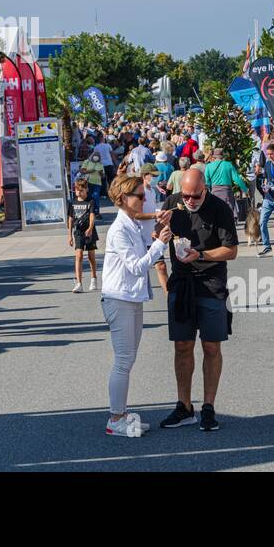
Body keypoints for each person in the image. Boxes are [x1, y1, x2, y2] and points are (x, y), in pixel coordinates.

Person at [156, 167, 238, 431]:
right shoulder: (172, 203)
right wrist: (160, 232)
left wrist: (201, 256)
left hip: (211, 284)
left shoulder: (219, 208)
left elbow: (231, 250)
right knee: (182, 345)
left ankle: (209, 407)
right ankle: (184, 406)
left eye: (195, 196)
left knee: (211, 346)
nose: (190, 201)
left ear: (205, 189)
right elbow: (155, 236)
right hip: (181, 283)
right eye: (186, 195)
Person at [101, 173, 170, 437]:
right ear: (123, 199)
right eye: (139, 196)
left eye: (144, 196)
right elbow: (137, 266)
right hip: (120, 298)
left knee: (127, 359)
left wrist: (157, 236)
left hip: (129, 296)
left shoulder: (129, 223)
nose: (144, 201)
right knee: (123, 360)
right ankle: (115, 418)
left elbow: (144, 251)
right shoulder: (119, 229)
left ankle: (121, 413)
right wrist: (160, 244)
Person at [67, 175, 101, 292]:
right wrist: (69, 235)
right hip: (78, 232)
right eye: (76, 190)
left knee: (91, 257)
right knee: (79, 255)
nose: (79, 192)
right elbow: (71, 218)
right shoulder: (72, 202)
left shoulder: (90, 201)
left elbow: (92, 216)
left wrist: (91, 228)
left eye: (81, 190)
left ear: (86, 189)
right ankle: (79, 283)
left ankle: (93, 279)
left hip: (89, 231)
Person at [203, 147, 249, 220]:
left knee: (216, 215)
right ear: (223, 156)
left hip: (214, 193)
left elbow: (206, 183)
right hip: (227, 193)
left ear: (214, 157)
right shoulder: (228, 165)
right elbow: (237, 179)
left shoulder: (208, 166)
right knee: (229, 214)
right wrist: (245, 189)